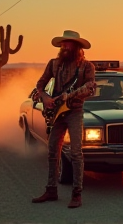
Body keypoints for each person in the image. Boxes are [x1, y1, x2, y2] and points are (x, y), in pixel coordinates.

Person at [31, 30, 96, 208]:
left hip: (75, 112)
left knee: (76, 153)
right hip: (57, 113)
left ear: (77, 46)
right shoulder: (54, 64)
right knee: (52, 151)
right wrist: (45, 97)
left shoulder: (87, 66)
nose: (65, 46)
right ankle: (51, 190)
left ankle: (77, 194)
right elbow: (40, 84)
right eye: (63, 44)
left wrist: (73, 95)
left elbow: (90, 88)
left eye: (68, 44)